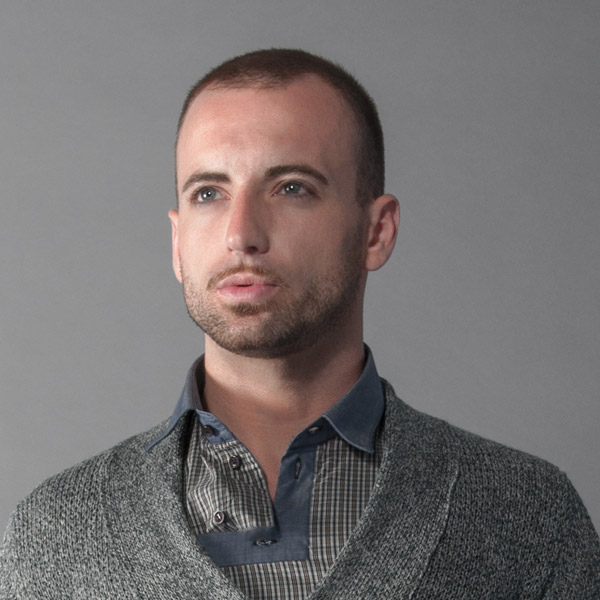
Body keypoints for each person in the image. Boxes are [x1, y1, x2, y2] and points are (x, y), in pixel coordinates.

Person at [1, 48, 599, 599]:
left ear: (376, 231)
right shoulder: (54, 537)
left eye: (291, 188)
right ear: (178, 243)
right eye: (208, 193)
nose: (241, 234)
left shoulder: (530, 520)